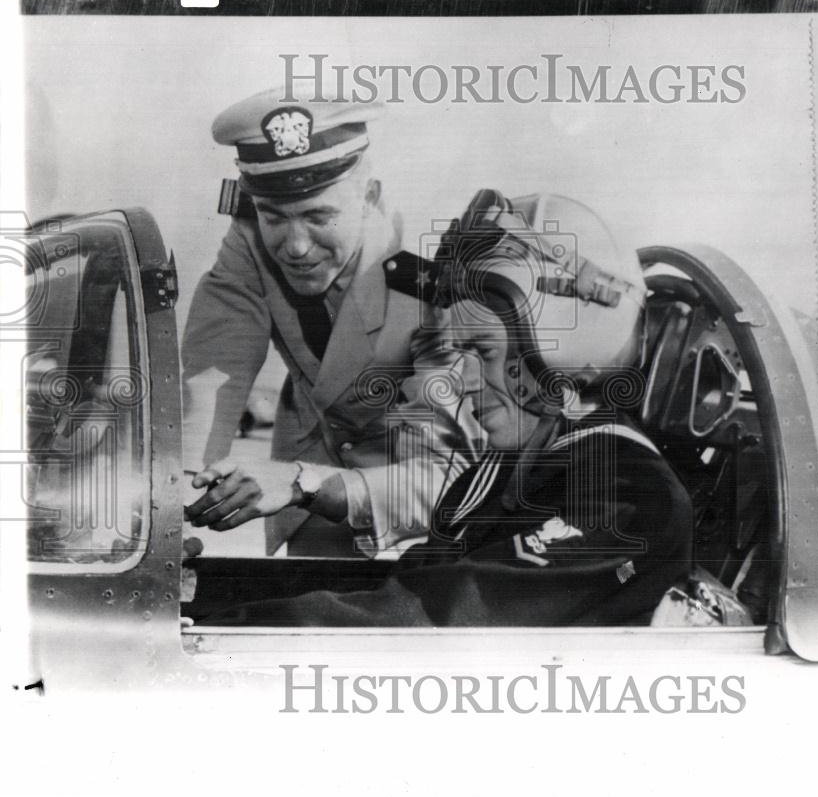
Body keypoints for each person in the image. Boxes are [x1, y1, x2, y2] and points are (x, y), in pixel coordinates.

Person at [195, 190, 694, 626]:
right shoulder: (502, 473)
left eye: (484, 351)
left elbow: (430, 617)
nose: (463, 380)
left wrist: (214, 633)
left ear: (563, 350)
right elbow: (406, 584)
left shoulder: (630, 495)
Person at [182, 85, 477, 557]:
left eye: (319, 216)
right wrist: (182, 503)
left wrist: (305, 483)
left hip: (413, 500)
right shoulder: (250, 238)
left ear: (370, 195)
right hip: (306, 489)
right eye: (275, 217)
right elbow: (213, 374)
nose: (295, 246)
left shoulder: (431, 277)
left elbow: (453, 477)